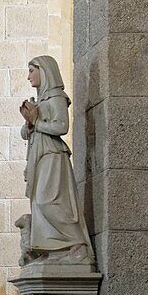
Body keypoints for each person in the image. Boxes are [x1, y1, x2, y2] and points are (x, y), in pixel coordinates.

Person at [18, 56, 93, 264]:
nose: (29, 76)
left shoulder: (56, 97)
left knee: (46, 201)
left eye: (32, 70)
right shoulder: (40, 100)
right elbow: (25, 134)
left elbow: (62, 127)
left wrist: (36, 121)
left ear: (45, 71)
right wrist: (29, 122)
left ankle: (77, 242)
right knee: (37, 201)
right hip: (38, 155)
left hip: (52, 154)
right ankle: (54, 249)